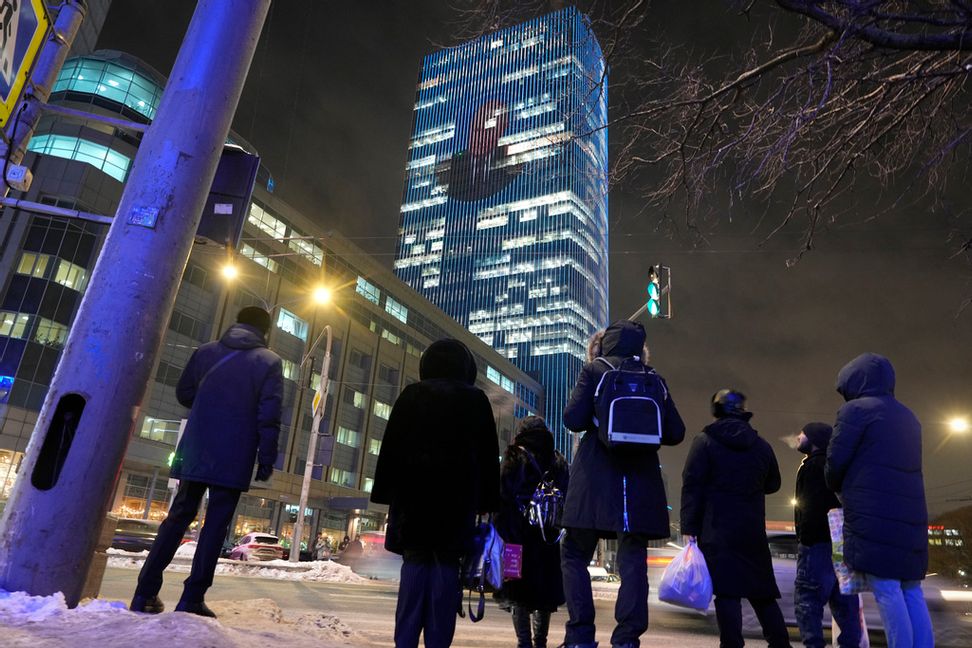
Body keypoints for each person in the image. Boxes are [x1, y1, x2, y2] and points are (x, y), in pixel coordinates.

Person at [129, 306, 282, 617]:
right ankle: (192, 599)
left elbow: (184, 393)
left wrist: (211, 399)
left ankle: (144, 592)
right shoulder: (269, 362)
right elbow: (269, 415)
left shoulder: (206, 352)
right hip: (235, 454)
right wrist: (266, 458)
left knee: (176, 519)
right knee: (215, 527)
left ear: (237, 322)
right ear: (265, 331)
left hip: (197, 448)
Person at [561, 320, 685, 648]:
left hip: (594, 478)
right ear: (640, 350)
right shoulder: (654, 378)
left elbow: (572, 419)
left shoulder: (595, 371)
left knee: (574, 552)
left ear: (602, 346)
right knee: (633, 559)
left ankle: (579, 636)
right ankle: (627, 639)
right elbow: (676, 432)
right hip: (639, 481)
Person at [370, 338, 500, 648]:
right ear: (466, 368)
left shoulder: (411, 395)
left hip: (413, 502)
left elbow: (390, 450)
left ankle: (405, 641)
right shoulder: (476, 400)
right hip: (456, 505)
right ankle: (438, 642)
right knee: (446, 571)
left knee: (414, 566)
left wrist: (387, 492)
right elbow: (487, 457)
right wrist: (487, 501)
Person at [825, 353, 933, 648]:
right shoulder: (909, 416)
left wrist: (835, 483)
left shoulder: (855, 411)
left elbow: (835, 463)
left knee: (886, 589)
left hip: (873, 514)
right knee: (911, 589)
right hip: (910, 517)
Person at [680, 390, 791, 648]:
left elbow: (692, 486)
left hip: (717, 530)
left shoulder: (704, 441)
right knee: (762, 593)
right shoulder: (762, 446)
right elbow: (773, 483)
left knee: (727, 594)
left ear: (716, 411)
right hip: (751, 530)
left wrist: (689, 527)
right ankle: (780, 644)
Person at [494, 415, 569, 648]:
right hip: (547, 538)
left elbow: (503, 494)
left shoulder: (516, 455)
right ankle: (540, 643)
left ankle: (523, 643)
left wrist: (500, 530)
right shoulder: (558, 460)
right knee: (543, 595)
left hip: (517, 537)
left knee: (518, 594)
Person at [793, 422, 861, 648]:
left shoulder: (812, 466)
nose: (798, 437)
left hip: (817, 545)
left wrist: (804, 538)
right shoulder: (838, 466)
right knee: (844, 603)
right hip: (841, 544)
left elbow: (811, 508)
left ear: (813, 439)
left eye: (802, 433)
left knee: (807, 602)